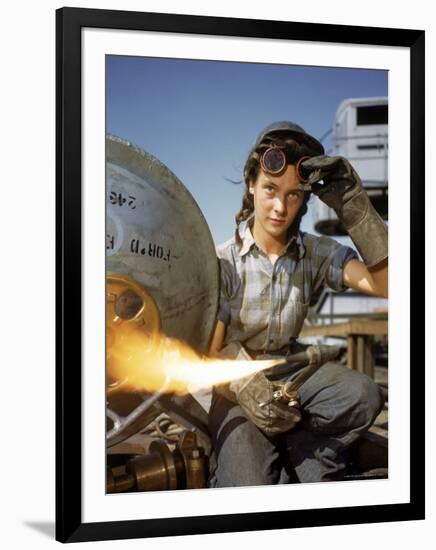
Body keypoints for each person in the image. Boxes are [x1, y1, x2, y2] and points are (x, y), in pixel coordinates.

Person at [207, 121, 387, 487]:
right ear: (251, 185)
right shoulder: (222, 261)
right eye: (270, 189)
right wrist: (245, 386)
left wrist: (353, 205)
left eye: (293, 195)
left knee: (362, 395)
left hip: (290, 376)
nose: (279, 207)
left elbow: (389, 284)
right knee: (248, 485)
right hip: (235, 386)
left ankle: (304, 459)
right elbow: (212, 351)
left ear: (304, 199)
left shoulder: (315, 254)